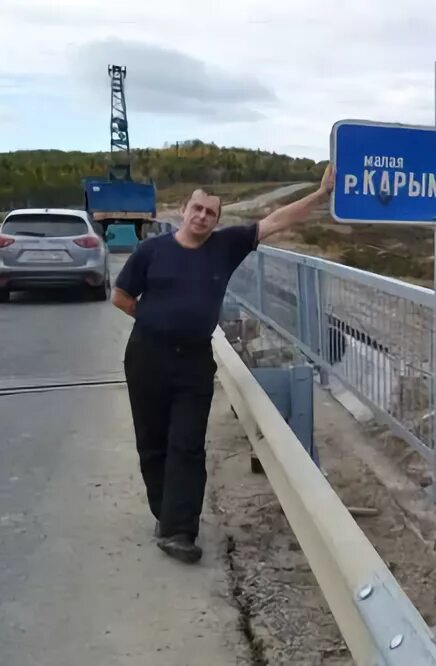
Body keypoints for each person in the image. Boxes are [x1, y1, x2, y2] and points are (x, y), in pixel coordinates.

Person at [111, 165, 335, 564]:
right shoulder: (152, 251)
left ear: (217, 219)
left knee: (188, 444)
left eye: (210, 213)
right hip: (148, 356)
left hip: (195, 360)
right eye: (197, 208)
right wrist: (157, 321)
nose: (202, 216)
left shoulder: (225, 246)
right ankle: (165, 516)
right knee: (153, 442)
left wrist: (320, 195)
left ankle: (180, 529)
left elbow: (276, 221)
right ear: (184, 209)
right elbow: (122, 297)